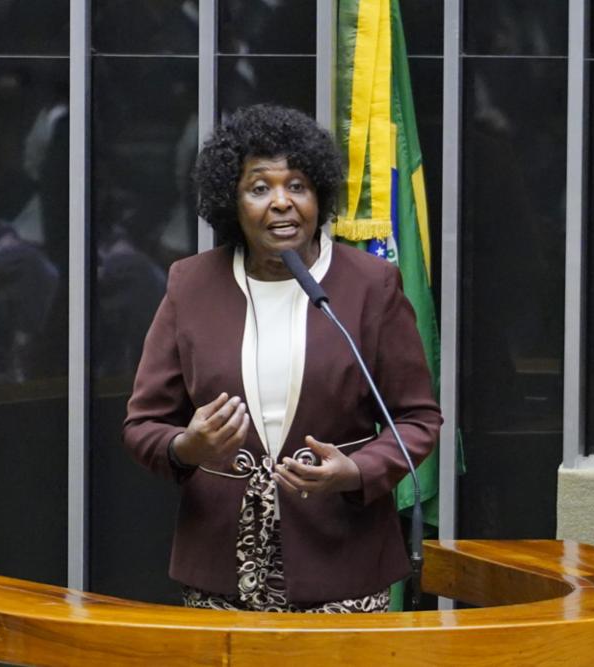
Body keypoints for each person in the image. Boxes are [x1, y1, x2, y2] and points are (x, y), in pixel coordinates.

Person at [123, 104, 441, 613]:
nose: (281, 203)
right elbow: (143, 424)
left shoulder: (369, 286)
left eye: (297, 185)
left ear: (320, 195)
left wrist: (355, 471)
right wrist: (187, 446)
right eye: (259, 188)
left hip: (343, 558)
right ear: (233, 200)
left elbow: (417, 418)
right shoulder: (190, 284)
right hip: (220, 560)